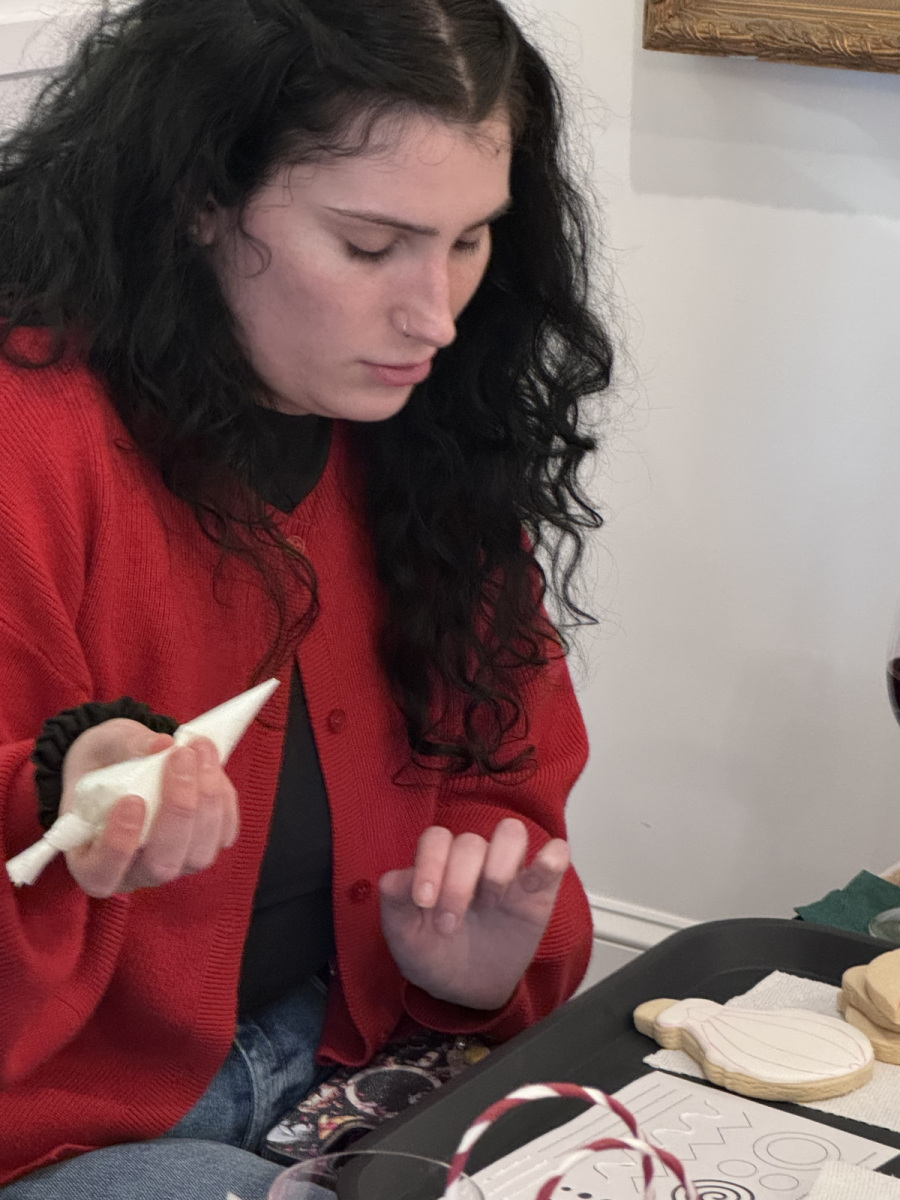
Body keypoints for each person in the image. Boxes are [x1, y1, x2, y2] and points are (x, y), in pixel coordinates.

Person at [0, 0, 613, 1196]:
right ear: (200, 199)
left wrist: (483, 967)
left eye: (472, 240)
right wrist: (55, 790)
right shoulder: (32, 434)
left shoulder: (433, 446)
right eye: (372, 247)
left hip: (344, 1058)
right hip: (63, 1121)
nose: (436, 315)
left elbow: (511, 800)